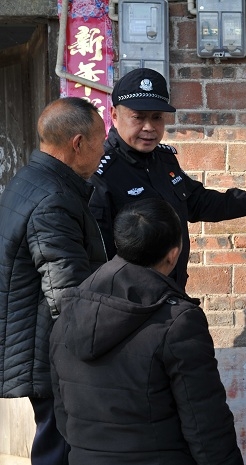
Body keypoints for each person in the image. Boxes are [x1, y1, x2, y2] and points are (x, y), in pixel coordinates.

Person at [50, 197, 245, 465]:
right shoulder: (178, 322)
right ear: (174, 253)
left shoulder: (70, 311)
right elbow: (205, 425)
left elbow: (63, 414)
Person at [89, 67, 246, 288]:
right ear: (114, 115)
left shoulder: (163, 160)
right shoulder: (101, 172)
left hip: (171, 289)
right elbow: (97, 252)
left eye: (157, 118)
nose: (149, 127)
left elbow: (198, 203)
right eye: (138, 118)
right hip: (128, 299)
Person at [0, 97, 108, 465]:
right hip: (51, 349)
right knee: (60, 448)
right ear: (78, 144)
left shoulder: (31, 179)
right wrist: (92, 352)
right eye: (101, 140)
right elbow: (67, 293)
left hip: (39, 342)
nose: (104, 149)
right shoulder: (54, 199)